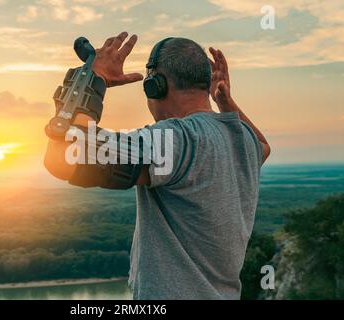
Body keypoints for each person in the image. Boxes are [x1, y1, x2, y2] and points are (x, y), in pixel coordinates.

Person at [44, 32, 271, 300]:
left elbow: (65, 157)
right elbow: (262, 145)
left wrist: (93, 80)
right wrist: (223, 99)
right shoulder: (241, 138)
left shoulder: (176, 139)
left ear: (155, 86)